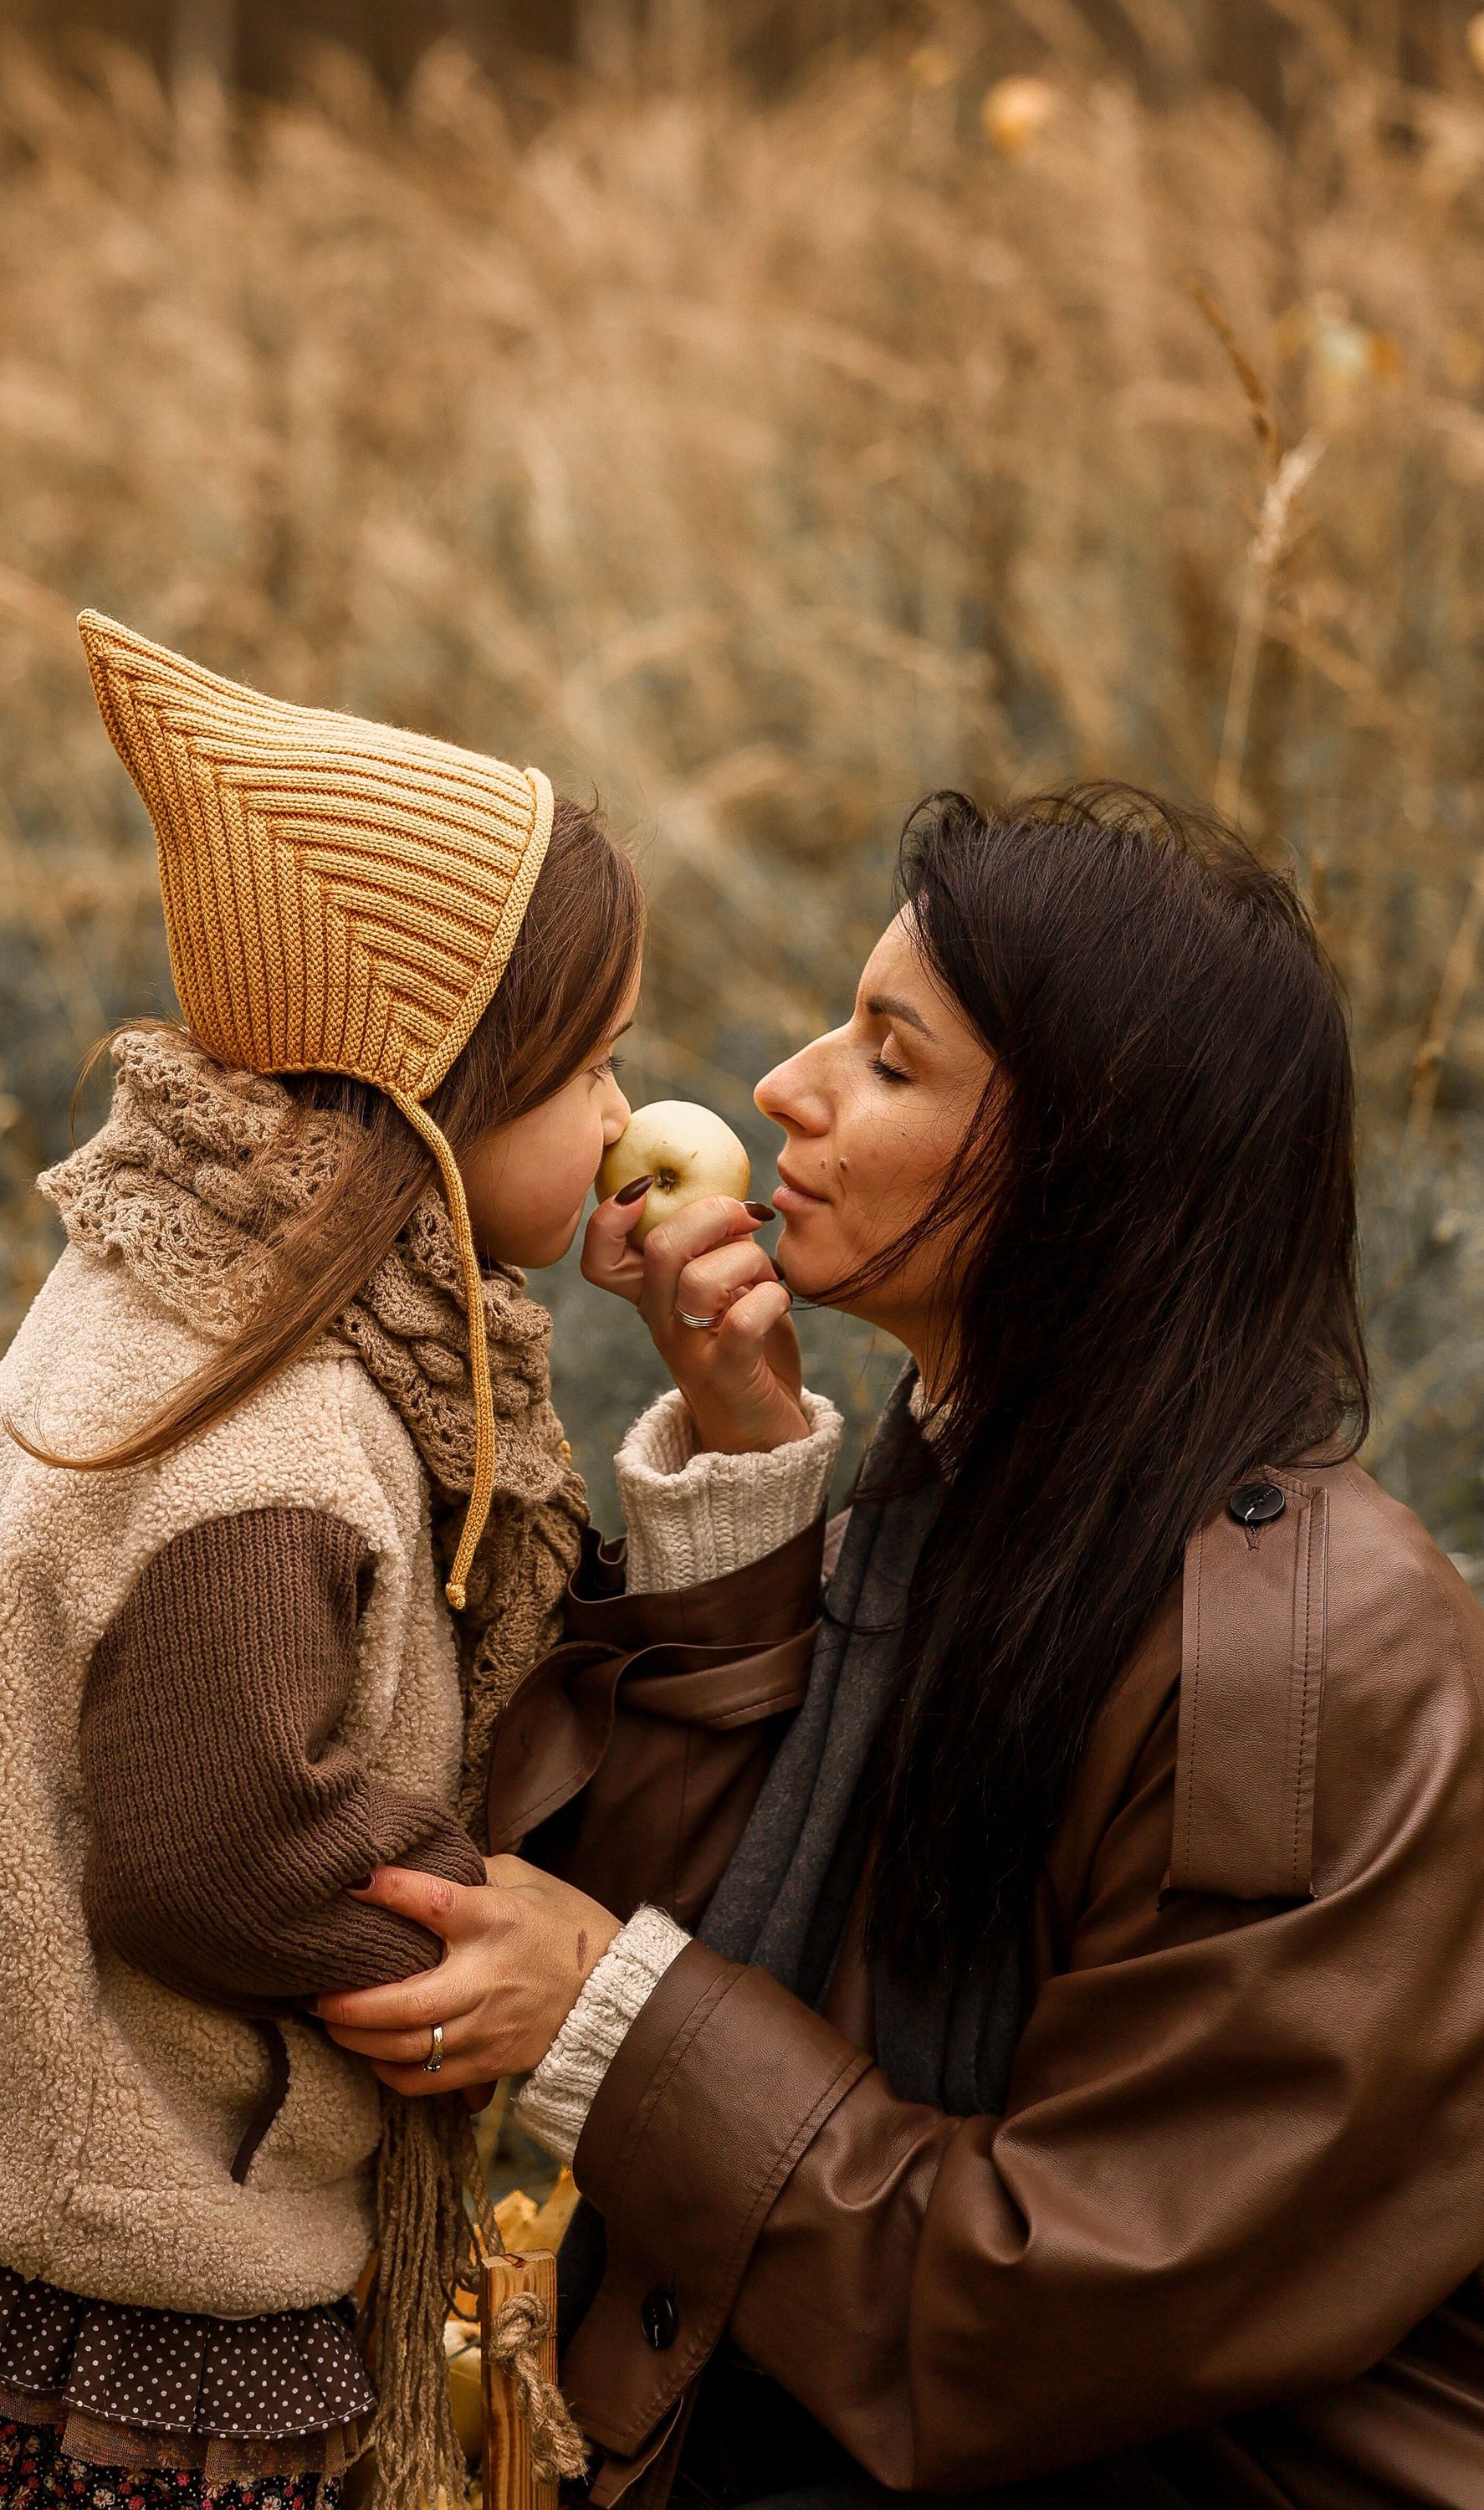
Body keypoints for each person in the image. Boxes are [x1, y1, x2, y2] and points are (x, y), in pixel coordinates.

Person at [318, 788, 1484, 2508]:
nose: (782, 1088)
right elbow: (715, 1930)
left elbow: (1059, 2300)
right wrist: (743, 1484)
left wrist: (602, 2016)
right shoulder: (991, 1489)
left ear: (1085, 1164)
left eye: (886, 1057)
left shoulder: (1319, 1669)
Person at [0, 613, 645, 2510]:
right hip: (92, 2237)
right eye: (592, 1072)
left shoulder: (192, 1257)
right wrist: (484, 1938)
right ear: (437, 1102)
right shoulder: (277, 1439)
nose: (628, 1120)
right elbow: (219, 1845)